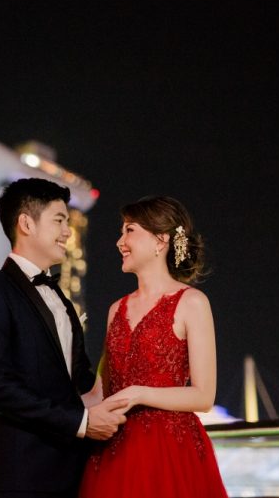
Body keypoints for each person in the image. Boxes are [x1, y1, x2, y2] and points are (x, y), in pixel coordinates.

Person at [0, 178, 128, 498]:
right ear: (26, 223)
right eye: (59, 220)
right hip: (20, 475)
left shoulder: (62, 300)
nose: (68, 231)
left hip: (73, 473)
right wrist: (80, 423)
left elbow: (79, 383)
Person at [78, 195, 228, 497]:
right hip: (113, 451)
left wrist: (138, 393)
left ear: (161, 241)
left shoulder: (192, 303)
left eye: (129, 231)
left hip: (170, 453)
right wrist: (45, 409)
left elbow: (203, 395)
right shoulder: (115, 310)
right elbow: (100, 392)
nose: (120, 242)